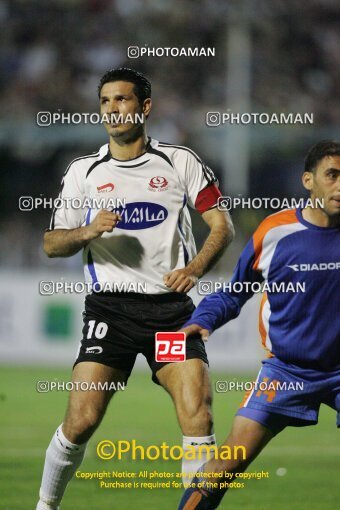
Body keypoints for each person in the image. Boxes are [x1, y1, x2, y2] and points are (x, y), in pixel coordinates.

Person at [36, 67, 234, 510]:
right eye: (106, 101)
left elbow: (222, 224)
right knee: (82, 420)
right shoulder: (83, 172)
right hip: (111, 313)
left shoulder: (179, 161)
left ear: (145, 107)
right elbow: (52, 243)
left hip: (172, 314)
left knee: (198, 415)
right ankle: (45, 506)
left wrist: (197, 268)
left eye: (122, 100)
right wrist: (86, 232)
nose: (113, 109)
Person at [177, 140, 340, 509]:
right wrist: (202, 320)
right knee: (226, 464)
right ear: (308, 181)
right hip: (286, 371)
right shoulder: (275, 232)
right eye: (332, 175)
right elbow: (235, 291)